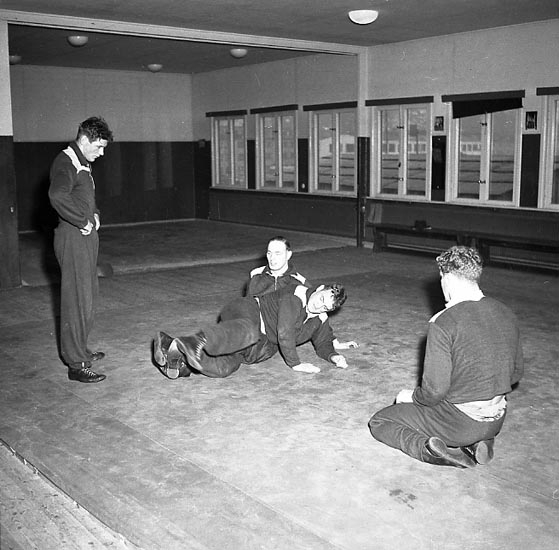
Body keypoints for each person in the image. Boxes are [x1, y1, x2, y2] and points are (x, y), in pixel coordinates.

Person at [368, 246, 523, 468]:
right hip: (497, 418)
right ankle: (478, 443)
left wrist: (411, 396)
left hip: (460, 423)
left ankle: (432, 451)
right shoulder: (506, 312)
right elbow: (516, 374)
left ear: (447, 278)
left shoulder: (443, 322)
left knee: (380, 421)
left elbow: (434, 392)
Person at [153, 283, 350, 380]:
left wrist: (333, 356)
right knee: (248, 331)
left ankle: (178, 358)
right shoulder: (296, 296)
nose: (319, 306)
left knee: (224, 369)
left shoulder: (319, 318)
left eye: (325, 307)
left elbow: (323, 341)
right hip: (247, 313)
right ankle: (194, 342)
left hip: (255, 344)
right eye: (321, 298)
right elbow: (284, 332)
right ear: (320, 288)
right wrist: (295, 364)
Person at [48, 116, 114, 383]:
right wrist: (81, 221)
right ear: (84, 139)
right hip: (73, 237)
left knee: (87, 296)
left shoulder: (83, 162)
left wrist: (94, 215)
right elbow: (57, 195)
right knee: (76, 300)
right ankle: (76, 365)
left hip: (85, 237)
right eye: (99, 147)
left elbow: (85, 197)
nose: (101, 153)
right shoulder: (66, 161)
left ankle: (81, 350)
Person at [247, 236, 358, 351]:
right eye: (269, 253)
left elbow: (319, 310)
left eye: (278, 253)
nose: (272, 258)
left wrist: (334, 342)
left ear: (288, 255)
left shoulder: (299, 282)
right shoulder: (256, 274)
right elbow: (248, 304)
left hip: (278, 336)